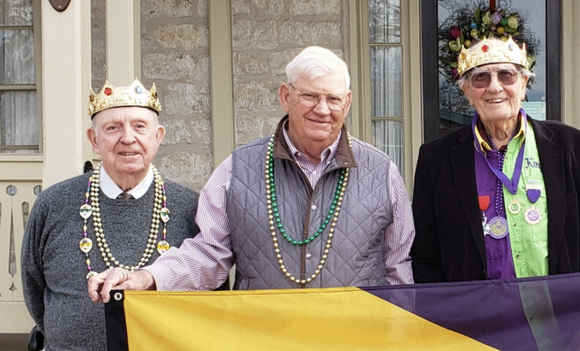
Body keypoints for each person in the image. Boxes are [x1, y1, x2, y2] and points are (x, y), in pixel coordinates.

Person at [88, 46, 412, 298]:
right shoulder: (235, 170)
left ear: (349, 102)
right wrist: (147, 278)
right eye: (310, 96)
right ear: (285, 96)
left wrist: (401, 340)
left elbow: (399, 268)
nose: (323, 109)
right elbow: (208, 254)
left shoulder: (382, 172)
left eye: (334, 98)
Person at [22, 82, 200, 351]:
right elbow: (34, 288)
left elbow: (211, 292)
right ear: (94, 139)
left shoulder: (189, 208)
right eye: (113, 127)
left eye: (140, 126)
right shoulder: (55, 205)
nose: (128, 138)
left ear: (158, 137)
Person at [410, 36, 580, 283]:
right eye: (481, 78)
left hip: (559, 315)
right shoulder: (436, 159)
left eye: (506, 75)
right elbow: (426, 255)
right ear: (467, 91)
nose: (495, 87)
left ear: (524, 83)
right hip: (474, 318)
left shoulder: (573, 147)